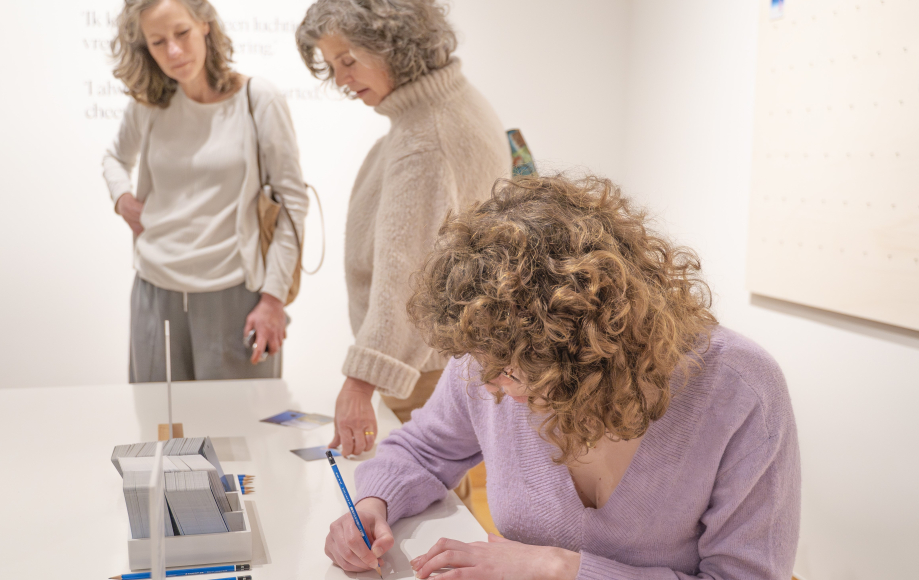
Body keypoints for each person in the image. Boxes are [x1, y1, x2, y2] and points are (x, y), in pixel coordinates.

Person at [324, 175, 801, 579]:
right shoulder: (490, 354)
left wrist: (557, 568)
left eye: (511, 371)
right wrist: (374, 501)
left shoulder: (740, 390)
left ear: (587, 345)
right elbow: (422, 450)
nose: (491, 388)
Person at [295, 0, 510, 457]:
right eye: (332, 65)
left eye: (348, 61)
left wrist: (359, 384)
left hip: (424, 371)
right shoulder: (452, 100)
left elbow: (406, 276)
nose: (340, 79)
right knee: (447, 488)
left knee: (424, 498)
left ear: (393, 47)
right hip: (452, 357)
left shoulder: (424, 139)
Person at [103, 0, 307, 382]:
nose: (174, 52)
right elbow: (114, 157)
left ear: (205, 25)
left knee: (238, 431)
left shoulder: (257, 98)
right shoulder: (149, 104)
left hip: (234, 292)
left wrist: (273, 299)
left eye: (181, 33)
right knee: (160, 431)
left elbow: (293, 201)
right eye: (158, 42)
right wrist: (122, 200)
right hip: (154, 290)